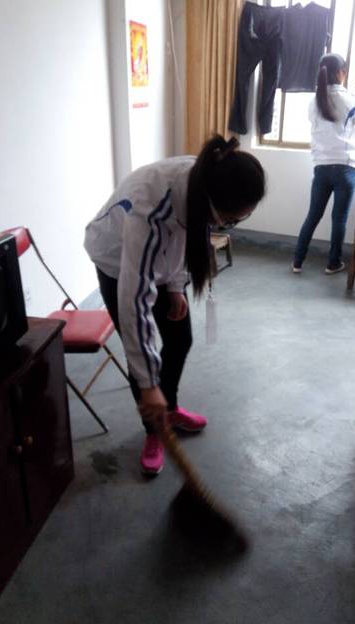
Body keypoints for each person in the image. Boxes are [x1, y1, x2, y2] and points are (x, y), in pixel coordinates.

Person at [84, 135, 266, 475]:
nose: (229, 225)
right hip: (116, 260)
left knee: (180, 339)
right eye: (231, 219)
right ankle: (154, 430)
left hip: (158, 260)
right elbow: (134, 304)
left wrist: (176, 286)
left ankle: (169, 409)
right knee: (140, 349)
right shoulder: (150, 211)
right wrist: (148, 386)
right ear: (215, 205)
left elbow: (185, 235)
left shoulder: (202, 179)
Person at [292, 53, 355, 275]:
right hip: (346, 167)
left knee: (313, 216)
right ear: (341, 73)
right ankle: (333, 263)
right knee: (339, 219)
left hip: (321, 167)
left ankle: (297, 261)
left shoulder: (314, 102)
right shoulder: (350, 100)